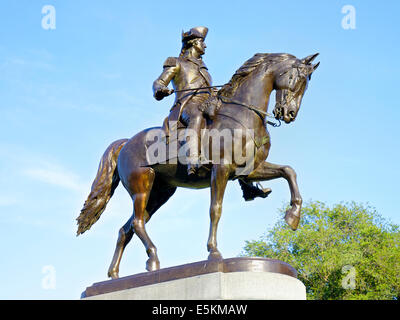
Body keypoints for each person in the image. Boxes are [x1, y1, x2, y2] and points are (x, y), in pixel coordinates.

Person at [153, 26, 271, 201]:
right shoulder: (176, 62)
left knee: (233, 125)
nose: (205, 46)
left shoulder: (203, 68)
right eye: (202, 42)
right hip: (186, 105)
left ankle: (247, 184)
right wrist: (161, 89)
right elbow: (158, 82)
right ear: (193, 43)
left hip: (207, 102)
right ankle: (193, 160)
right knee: (197, 116)